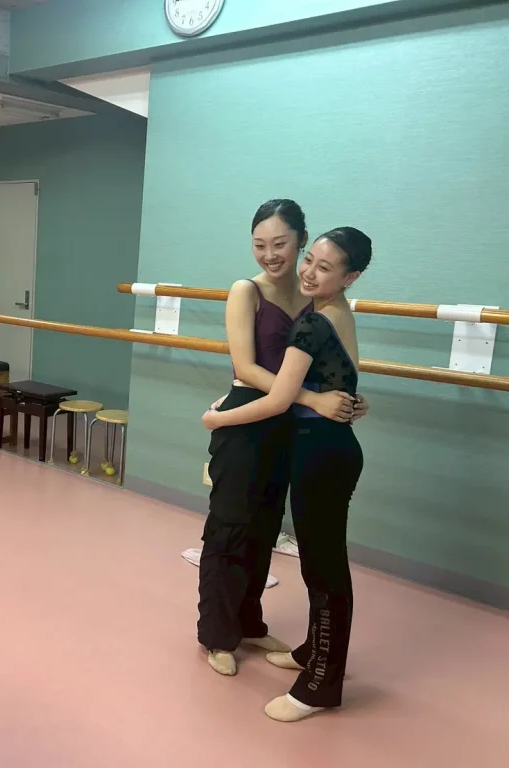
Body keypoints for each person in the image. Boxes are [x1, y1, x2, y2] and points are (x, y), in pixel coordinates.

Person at [202, 227, 372, 722]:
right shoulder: (332, 313)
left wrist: (215, 419)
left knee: (323, 570)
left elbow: (279, 399)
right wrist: (341, 401)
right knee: (309, 560)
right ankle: (308, 652)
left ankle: (319, 683)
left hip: (317, 452)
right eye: (311, 262)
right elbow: (341, 376)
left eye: (323, 266)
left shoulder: (313, 320)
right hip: (322, 447)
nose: (309, 271)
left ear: (350, 277)